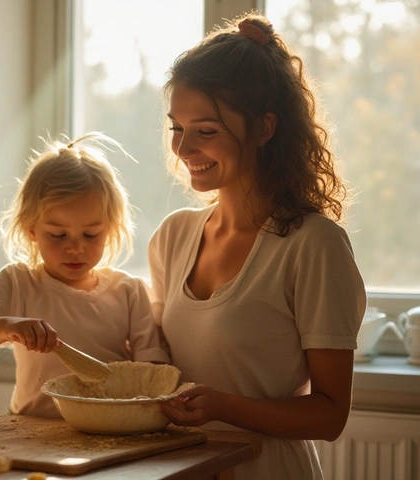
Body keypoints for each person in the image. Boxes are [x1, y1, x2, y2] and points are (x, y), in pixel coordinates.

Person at [148, 12, 367, 480]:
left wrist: (224, 406)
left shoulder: (314, 246)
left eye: (205, 130)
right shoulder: (172, 237)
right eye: (176, 128)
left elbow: (330, 416)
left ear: (265, 128)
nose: (184, 149)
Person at [0, 132, 171, 418]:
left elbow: (152, 374)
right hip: (30, 433)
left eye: (91, 234)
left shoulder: (128, 291)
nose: (75, 247)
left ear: (110, 230)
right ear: (32, 230)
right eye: (58, 235)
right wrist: (7, 327)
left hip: (107, 432)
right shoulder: (18, 283)